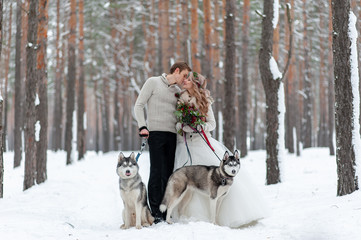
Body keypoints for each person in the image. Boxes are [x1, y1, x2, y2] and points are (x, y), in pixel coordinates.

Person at [173, 72, 270, 228]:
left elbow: (212, 124)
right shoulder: (180, 100)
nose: (184, 81)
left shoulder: (204, 101)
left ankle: (217, 217)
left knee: (215, 179)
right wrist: (183, 126)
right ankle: (186, 215)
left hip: (202, 144)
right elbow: (176, 123)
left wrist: (200, 126)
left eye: (188, 79)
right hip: (184, 146)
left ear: (196, 84)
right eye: (184, 78)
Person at [134, 62, 192, 223]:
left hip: (172, 135)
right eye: (184, 75)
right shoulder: (153, 82)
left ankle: (165, 209)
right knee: (157, 172)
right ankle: (155, 213)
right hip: (155, 133)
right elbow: (139, 105)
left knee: (168, 174)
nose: (185, 79)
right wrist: (142, 126)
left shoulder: (178, 91)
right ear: (177, 71)